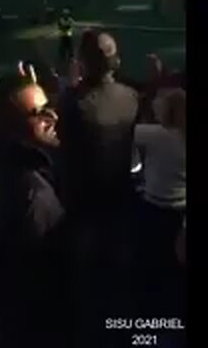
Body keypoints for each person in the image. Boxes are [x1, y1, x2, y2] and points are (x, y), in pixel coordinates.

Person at [0, 70, 69, 347]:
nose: (53, 118)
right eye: (40, 113)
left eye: (51, 108)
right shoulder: (30, 192)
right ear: (11, 125)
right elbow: (47, 276)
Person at [56, 30, 140, 345]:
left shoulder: (75, 103)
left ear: (84, 62)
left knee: (87, 288)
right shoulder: (130, 97)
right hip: (121, 202)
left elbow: (60, 143)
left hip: (83, 207)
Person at [132, 88, 187, 315]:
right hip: (182, 212)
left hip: (154, 208)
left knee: (152, 262)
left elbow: (124, 129)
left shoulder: (155, 134)